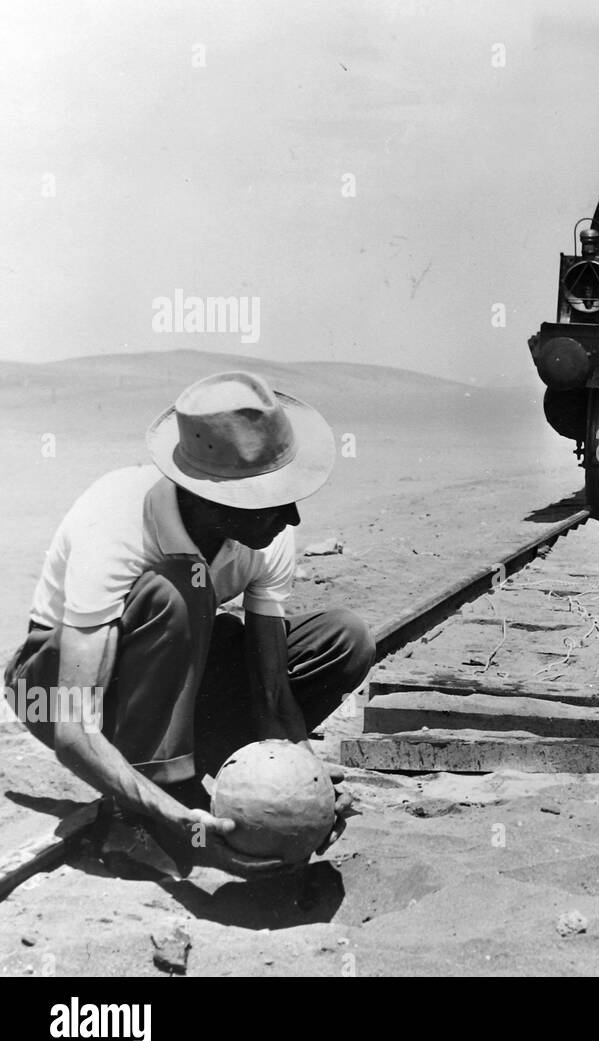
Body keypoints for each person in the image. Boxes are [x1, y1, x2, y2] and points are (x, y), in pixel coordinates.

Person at [4, 371, 376, 876]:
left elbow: (272, 698)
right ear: (213, 498)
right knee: (181, 591)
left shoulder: (265, 536)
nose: (292, 520)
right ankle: (147, 810)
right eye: (273, 500)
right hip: (55, 688)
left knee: (343, 639)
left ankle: (199, 768)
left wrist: (303, 782)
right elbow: (74, 731)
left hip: (170, 674)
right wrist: (178, 821)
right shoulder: (115, 519)